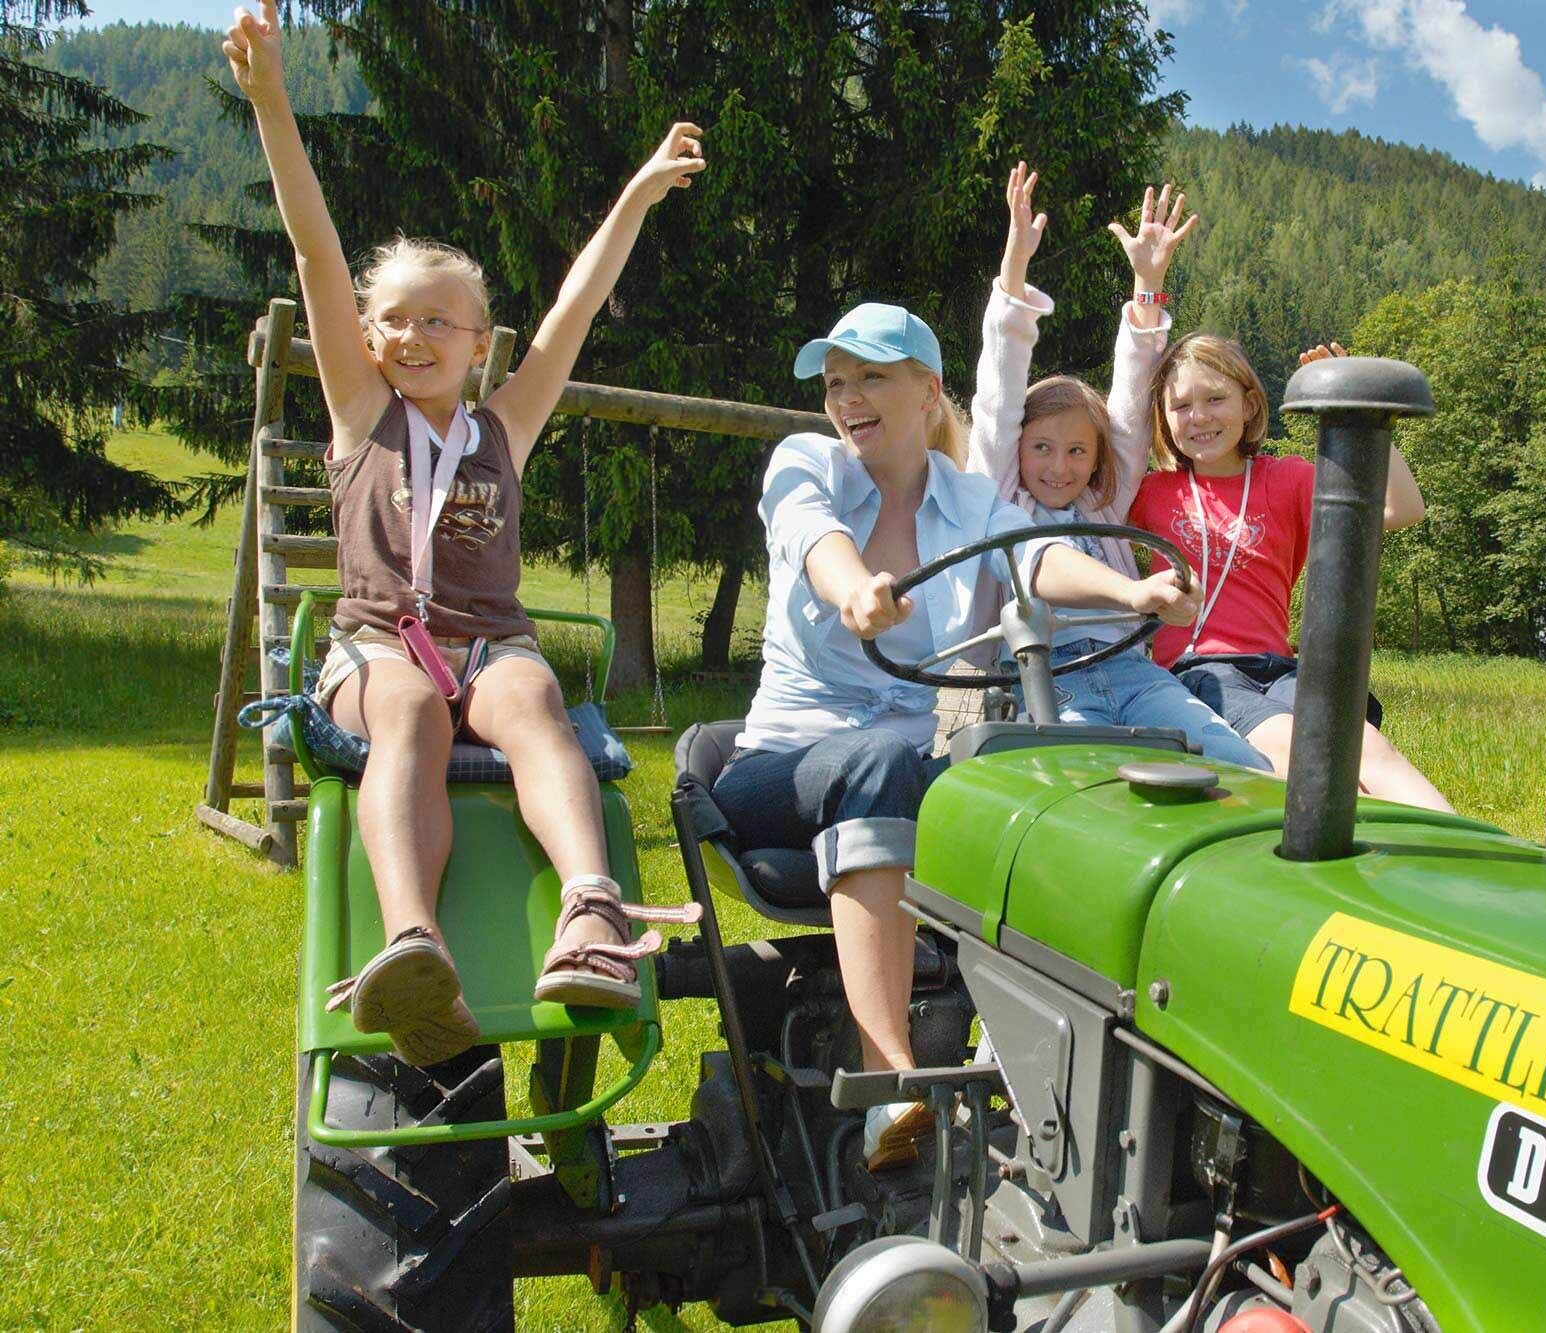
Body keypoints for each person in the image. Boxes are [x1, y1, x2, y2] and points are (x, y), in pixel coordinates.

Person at [225, 2, 706, 1065]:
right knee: (404, 710)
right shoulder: (363, 412)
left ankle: (590, 911)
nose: (411, 335)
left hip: (489, 644)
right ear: (363, 334)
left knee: (534, 702)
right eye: (392, 318)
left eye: (437, 319)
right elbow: (314, 248)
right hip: (378, 644)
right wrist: (271, 104)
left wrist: (632, 195)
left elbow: (575, 311)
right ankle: (413, 945)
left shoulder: (504, 424)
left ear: (479, 342)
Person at [711, 301, 1198, 1169]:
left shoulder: (970, 501)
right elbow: (808, 534)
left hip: (901, 769)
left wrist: (1130, 596)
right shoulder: (807, 463)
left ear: (928, 388)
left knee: (1043, 797)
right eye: (834, 382)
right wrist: (855, 587)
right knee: (885, 758)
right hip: (781, 767)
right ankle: (885, 1084)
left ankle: (1063, 1077)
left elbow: (1035, 558)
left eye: (870, 377)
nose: (847, 398)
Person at [964, 164, 1267, 770]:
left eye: (1079, 451)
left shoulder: (1105, 504)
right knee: (1091, 789)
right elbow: (998, 390)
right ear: (1016, 449)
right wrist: (1015, 268)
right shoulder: (1000, 499)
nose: (1059, 467)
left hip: (1137, 673)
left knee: (1247, 768)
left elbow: (1130, 399)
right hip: (1051, 678)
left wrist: (1147, 286)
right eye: (1042, 447)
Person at [1129, 332, 1455, 810]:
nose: (1199, 416)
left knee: (1366, 748)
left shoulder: (1289, 479)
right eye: (1181, 406)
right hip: (1201, 673)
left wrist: (1365, 412)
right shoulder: (1154, 490)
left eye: (1216, 398)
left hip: (1280, 670)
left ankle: (1479, 856)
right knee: (1300, 752)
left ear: (1250, 404)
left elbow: (1402, 508)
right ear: (1163, 418)